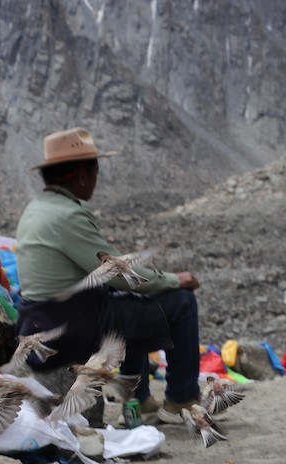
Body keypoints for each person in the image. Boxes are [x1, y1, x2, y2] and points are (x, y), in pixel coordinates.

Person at [14, 127, 201, 424]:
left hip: (38, 319)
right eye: (95, 172)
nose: (96, 180)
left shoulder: (37, 208)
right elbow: (118, 272)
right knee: (181, 302)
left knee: (125, 302)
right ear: (82, 175)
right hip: (69, 326)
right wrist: (175, 280)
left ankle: (139, 398)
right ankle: (181, 400)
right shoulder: (69, 215)